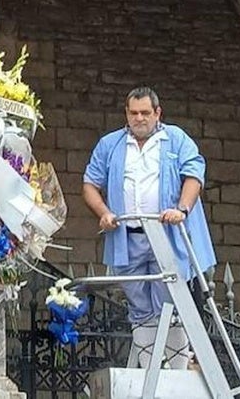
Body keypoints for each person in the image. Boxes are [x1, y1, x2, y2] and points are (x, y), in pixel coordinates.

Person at [82, 86, 216, 369]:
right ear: (126, 114)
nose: (139, 118)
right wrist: (104, 212)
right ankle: (152, 371)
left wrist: (181, 209)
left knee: (172, 304)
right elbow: (90, 184)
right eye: (133, 113)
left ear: (158, 113)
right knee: (140, 307)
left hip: (167, 235)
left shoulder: (176, 139)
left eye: (145, 113)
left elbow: (194, 175)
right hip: (127, 237)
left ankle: (176, 373)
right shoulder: (111, 144)